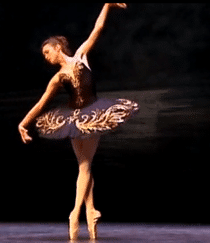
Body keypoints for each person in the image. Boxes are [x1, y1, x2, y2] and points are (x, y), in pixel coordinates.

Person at [18, 3, 139, 240]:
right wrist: (22, 123)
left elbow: (98, 27)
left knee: (85, 166)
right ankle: (84, 212)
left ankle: (82, 212)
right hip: (74, 119)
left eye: (47, 52)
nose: (46, 57)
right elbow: (41, 103)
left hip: (93, 115)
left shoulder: (81, 56)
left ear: (58, 47)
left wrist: (107, 4)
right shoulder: (57, 78)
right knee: (85, 166)